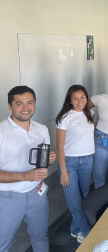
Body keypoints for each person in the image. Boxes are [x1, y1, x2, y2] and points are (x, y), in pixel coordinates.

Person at [0, 86, 56, 252]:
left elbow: (41, 164)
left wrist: (49, 161)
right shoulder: (1, 133)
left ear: (35, 105)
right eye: (19, 103)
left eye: (30, 102)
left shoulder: (41, 129)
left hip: (36, 193)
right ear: (10, 106)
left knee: (41, 236)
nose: (25, 107)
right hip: (8, 198)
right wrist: (25, 175)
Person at [56, 85, 94, 243]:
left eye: (83, 97)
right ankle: (89, 234)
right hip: (69, 163)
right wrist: (63, 171)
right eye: (75, 98)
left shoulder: (89, 113)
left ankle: (75, 229)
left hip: (86, 160)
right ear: (69, 101)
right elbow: (59, 147)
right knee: (74, 203)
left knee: (84, 198)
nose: (80, 101)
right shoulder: (65, 117)